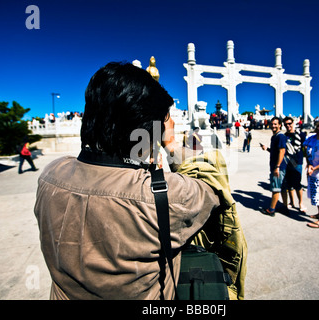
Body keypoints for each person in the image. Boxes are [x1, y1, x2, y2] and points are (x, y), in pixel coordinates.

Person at [34, 62, 220, 300]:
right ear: (148, 129)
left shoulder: (51, 174)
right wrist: (171, 144)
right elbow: (212, 187)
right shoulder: (166, 194)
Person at [260, 117, 287, 216]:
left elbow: (282, 151)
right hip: (279, 166)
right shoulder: (274, 136)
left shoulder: (280, 136)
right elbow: (275, 151)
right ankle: (285, 207)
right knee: (283, 188)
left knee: (276, 188)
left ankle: (271, 210)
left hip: (278, 167)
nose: (273, 126)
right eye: (272, 124)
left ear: (280, 125)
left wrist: (277, 166)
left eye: (275, 124)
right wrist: (267, 149)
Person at [282, 116, 307, 212]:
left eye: (289, 123)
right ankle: (292, 202)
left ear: (293, 123)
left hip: (298, 162)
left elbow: (306, 148)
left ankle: (301, 203)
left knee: (297, 184)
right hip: (287, 162)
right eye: (286, 124)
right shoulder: (284, 136)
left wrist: (309, 163)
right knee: (289, 185)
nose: (288, 126)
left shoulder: (301, 135)